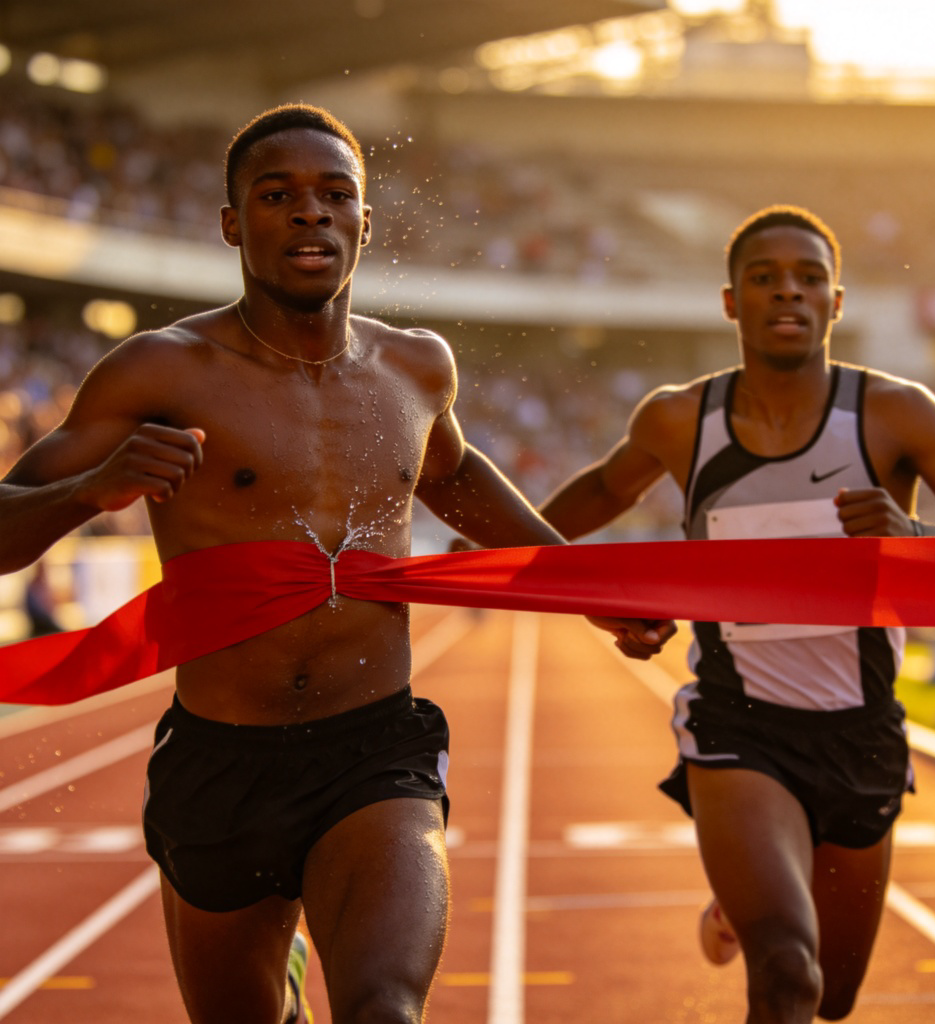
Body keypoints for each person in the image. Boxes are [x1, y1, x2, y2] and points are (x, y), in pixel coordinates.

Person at [0, 104, 671, 1024]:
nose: (311, 213)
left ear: (365, 219)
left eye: (335, 195)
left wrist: (579, 588)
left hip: (376, 748)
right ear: (234, 224)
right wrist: (93, 489)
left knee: (384, 1008)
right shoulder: (160, 371)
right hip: (221, 760)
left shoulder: (416, 369)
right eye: (277, 196)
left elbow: (457, 477)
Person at [540, 204, 935, 1023]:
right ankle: (757, 891)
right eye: (764, 279)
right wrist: (490, 563)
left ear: (837, 303)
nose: (787, 293)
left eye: (809, 279)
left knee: (832, 997)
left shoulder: (896, 413)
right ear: (731, 302)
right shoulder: (677, 418)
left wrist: (914, 538)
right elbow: (596, 495)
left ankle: (744, 895)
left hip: (862, 731)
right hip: (738, 726)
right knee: (787, 975)